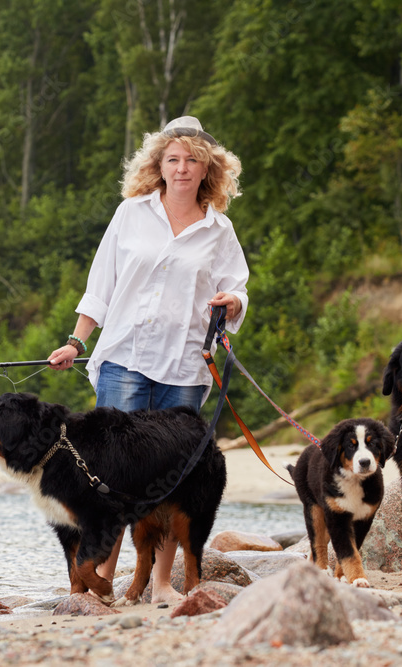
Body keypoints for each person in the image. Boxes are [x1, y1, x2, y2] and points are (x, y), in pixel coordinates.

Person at [47, 116, 249, 603]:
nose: (182, 169)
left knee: (169, 478)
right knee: (109, 476)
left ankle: (159, 584)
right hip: (124, 358)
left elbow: (237, 289)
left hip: (184, 366)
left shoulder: (219, 230)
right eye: (173, 160)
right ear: (159, 165)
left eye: (192, 161)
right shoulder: (130, 213)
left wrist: (233, 304)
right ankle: (103, 583)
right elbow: (101, 285)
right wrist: (76, 342)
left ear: (208, 171)